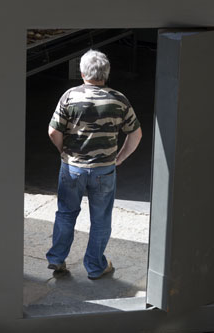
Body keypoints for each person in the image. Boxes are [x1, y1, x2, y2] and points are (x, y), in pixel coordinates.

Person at [45, 49, 142, 280]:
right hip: (104, 171)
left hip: (72, 168)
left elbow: (52, 131)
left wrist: (64, 151)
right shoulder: (118, 99)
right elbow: (136, 134)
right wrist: (120, 158)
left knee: (66, 213)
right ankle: (95, 266)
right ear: (106, 73)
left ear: (82, 72)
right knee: (100, 218)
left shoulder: (70, 96)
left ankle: (57, 259)